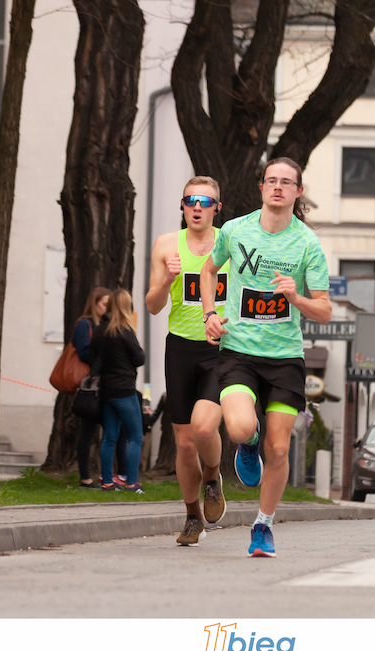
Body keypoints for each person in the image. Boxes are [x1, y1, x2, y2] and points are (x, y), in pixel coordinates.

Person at [199, 157, 331, 557]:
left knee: (279, 450)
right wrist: (209, 314)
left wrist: (296, 297)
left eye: (286, 182)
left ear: (298, 191)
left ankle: (263, 526)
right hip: (238, 350)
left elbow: (324, 310)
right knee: (240, 428)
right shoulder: (235, 230)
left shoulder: (307, 244)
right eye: (271, 180)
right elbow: (208, 271)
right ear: (261, 187)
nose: (277, 187)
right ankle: (248, 442)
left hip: (284, 357)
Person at [146, 176, 229, 547]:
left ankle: (213, 474)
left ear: (216, 209)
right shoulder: (167, 245)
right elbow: (152, 305)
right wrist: (166, 279)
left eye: (205, 201)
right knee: (183, 444)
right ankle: (193, 515)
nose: (197, 207)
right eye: (190, 200)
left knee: (204, 429)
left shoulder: (231, 243)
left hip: (219, 347)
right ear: (182, 206)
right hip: (180, 346)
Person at [91, 289, 146, 493]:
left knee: (109, 436)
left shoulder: (100, 329)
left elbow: (93, 356)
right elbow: (139, 358)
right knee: (136, 437)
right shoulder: (124, 330)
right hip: (124, 389)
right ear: (125, 306)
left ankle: (107, 482)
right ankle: (131, 483)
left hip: (106, 389)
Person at [71, 286, 111, 488]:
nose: (107, 308)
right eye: (104, 304)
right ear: (94, 304)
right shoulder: (84, 325)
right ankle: (85, 477)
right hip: (90, 385)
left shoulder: (106, 325)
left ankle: (109, 476)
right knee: (88, 431)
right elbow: (84, 353)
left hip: (105, 383)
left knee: (110, 430)